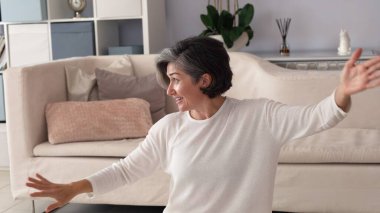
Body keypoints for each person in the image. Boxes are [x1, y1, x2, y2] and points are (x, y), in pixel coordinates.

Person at [26, 37, 380, 213]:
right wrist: (73, 187)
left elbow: (318, 116)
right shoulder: (168, 129)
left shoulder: (260, 117)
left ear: (205, 79)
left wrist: (342, 90)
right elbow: (127, 170)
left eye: (176, 80)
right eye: (168, 80)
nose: (169, 90)